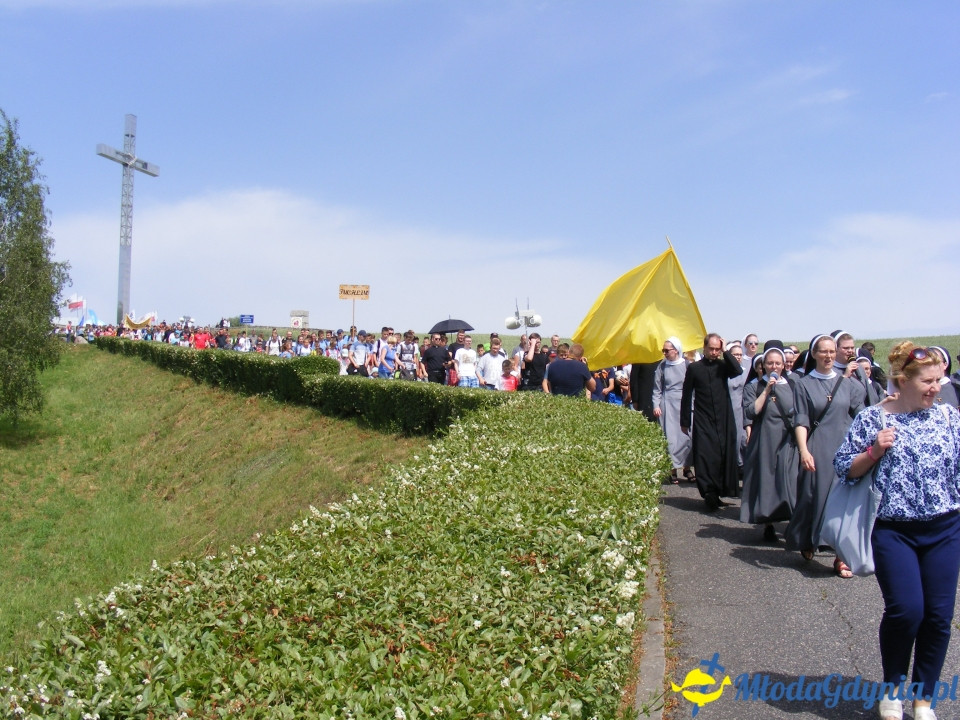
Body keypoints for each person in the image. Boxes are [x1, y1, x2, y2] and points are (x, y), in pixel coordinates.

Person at [834, 343, 960, 720]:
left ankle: (923, 701)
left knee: (938, 617)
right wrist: (873, 451)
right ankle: (892, 688)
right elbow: (844, 467)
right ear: (903, 381)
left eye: (939, 380)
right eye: (927, 381)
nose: (935, 388)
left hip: (945, 528)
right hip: (893, 531)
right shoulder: (873, 419)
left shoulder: (949, 418)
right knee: (907, 610)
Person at [784, 334, 865, 571]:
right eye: (823, 351)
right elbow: (801, 420)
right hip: (817, 446)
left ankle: (841, 555)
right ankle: (807, 538)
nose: (828, 356)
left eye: (832, 351)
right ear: (814, 354)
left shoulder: (847, 384)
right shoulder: (804, 384)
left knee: (843, 501)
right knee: (813, 497)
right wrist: (804, 450)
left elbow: (862, 414)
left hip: (843, 448)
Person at [739, 348, 798, 542]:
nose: (774, 367)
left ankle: (792, 520)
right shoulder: (754, 387)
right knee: (767, 481)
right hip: (764, 440)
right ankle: (768, 523)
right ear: (763, 365)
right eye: (770, 363)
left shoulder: (793, 384)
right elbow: (751, 412)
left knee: (790, 479)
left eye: (778, 363)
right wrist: (766, 391)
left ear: (783, 365)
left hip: (788, 440)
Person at [679, 333, 744, 510]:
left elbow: (738, 371)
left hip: (723, 418)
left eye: (717, 349)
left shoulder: (722, 366)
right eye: (711, 349)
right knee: (706, 456)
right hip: (703, 418)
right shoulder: (694, 368)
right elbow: (686, 395)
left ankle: (718, 492)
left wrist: (726, 351)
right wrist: (685, 421)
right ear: (704, 348)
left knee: (722, 455)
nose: (714, 352)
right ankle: (708, 493)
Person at [652, 337, 693, 484]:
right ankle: (672, 470)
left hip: (684, 403)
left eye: (667, 350)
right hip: (668, 404)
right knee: (670, 438)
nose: (664, 353)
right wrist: (656, 405)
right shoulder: (662, 366)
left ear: (676, 350)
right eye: (663, 350)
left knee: (686, 437)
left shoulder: (687, 365)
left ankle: (687, 468)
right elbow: (657, 388)